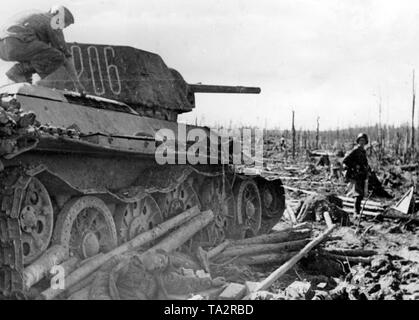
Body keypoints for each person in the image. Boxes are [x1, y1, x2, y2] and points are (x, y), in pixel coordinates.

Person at [0, 6, 85, 94]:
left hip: (3, 46)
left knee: (36, 59)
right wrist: (77, 84)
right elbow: (66, 57)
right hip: (18, 42)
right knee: (58, 56)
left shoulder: (36, 14)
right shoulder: (52, 21)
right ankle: (17, 71)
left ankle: (22, 84)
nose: (62, 27)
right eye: (64, 24)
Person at [343, 133, 370, 216]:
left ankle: (357, 211)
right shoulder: (356, 150)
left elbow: (364, 163)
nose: (362, 142)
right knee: (358, 194)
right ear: (358, 141)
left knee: (360, 195)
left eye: (363, 141)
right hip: (357, 174)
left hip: (362, 174)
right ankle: (356, 212)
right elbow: (345, 160)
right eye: (360, 140)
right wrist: (355, 166)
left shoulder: (362, 151)